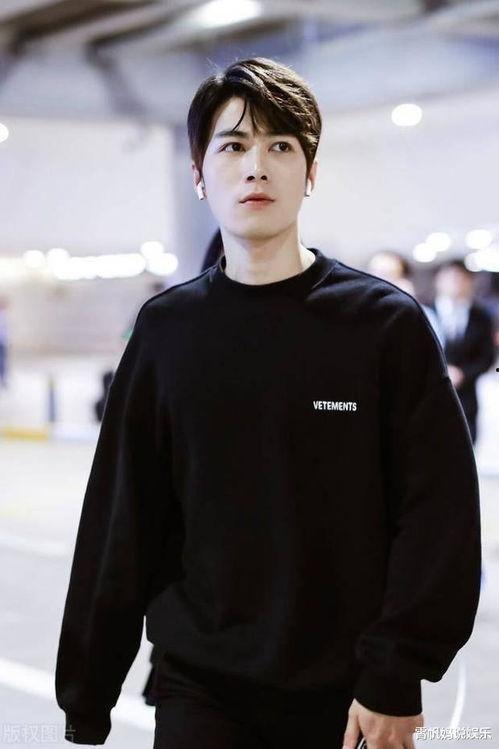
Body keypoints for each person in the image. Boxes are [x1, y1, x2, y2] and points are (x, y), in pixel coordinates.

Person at [55, 57, 481, 749]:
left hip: (348, 690)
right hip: (201, 685)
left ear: (310, 173)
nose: (256, 167)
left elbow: (438, 512)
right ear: (199, 175)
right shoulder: (167, 330)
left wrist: (395, 671)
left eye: (281, 146)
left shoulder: (382, 325)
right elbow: (123, 513)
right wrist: (88, 690)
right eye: (233, 146)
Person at [428, 258, 496, 445]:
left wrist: (464, 373)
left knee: (465, 446)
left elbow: (487, 357)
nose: (455, 283)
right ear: (438, 280)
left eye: (461, 278)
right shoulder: (423, 311)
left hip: (466, 398)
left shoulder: (481, 317)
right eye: (450, 277)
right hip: (429, 395)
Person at [366, 250, 445, 347]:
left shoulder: (423, 315)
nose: (375, 280)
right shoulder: (359, 311)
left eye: (385, 274)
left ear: (404, 282)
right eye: (372, 273)